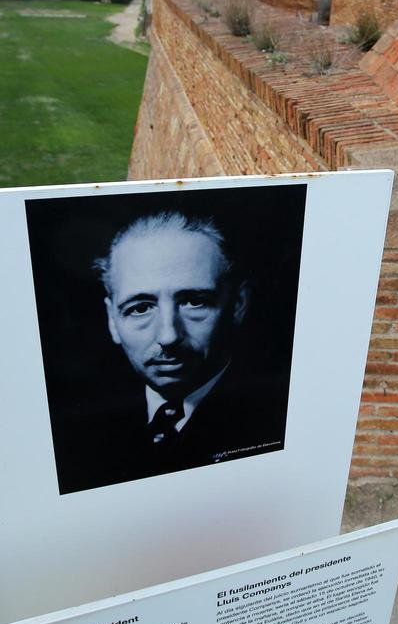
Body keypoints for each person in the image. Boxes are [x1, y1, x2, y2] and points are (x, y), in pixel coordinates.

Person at [54, 209, 288, 492]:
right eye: (140, 308)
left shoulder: (276, 414)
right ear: (111, 320)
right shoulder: (79, 432)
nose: (168, 336)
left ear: (238, 304)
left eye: (194, 302)